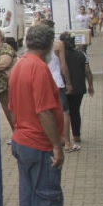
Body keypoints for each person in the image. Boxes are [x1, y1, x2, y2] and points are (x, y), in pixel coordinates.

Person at [8, 23, 72, 206]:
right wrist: (57, 145)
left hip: (22, 141)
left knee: (29, 198)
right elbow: (45, 111)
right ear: (48, 46)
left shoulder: (19, 66)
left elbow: (13, 108)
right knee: (47, 198)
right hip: (39, 144)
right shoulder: (39, 69)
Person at [43, 20, 74, 152]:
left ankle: (50, 141)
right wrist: (68, 82)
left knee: (46, 111)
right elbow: (63, 65)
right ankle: (66, 142)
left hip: (44, 82)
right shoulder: (58, 44)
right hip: (57, 81)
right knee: (64, 112)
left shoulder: (38, 45)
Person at [62, 32, 93, 147]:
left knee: (65, 112)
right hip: (79, 88)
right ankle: (76, 135)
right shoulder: (82, 55)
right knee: (75, 111)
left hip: (63, 88)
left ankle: (65, 138)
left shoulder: (58, 56)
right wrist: (90, 86)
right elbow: (88, 71)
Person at [0, 28, 16, 140]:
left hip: (5, 87)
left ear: (1, 37)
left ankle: (17, 136)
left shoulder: (5, 47)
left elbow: (4, 64)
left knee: (10, 113)